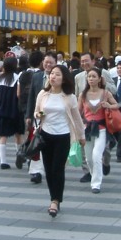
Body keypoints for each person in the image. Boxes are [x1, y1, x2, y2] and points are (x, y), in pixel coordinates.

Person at [32, 64, 85, 218]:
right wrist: (38, 115)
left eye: (57, 74)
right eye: (52, 74)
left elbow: (77, 118)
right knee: (48, 170)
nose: (53, 77)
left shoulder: (70, 97)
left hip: (63, 136)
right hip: (45, 135)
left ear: (64, 79)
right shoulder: (43, 94)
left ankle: (55, 201)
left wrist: (81, 137)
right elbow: (36, 111)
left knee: (58, 168)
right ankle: (53, 197)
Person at [78, 67, 118, 193]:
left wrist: (109, 105)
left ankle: (96, 184)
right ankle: (94, 174)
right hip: (87, 129)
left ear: (100, 78)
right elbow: (78, 112)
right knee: (88, 158)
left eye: (94, 76)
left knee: (96, 155)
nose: (91, 79)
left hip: (101, 129)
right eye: (89, 76)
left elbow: (117, 105)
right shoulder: (83, 95)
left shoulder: (105, 93)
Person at [24, 51, 55, 184]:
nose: (48, 65)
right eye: (46, 62)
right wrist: (28, 115)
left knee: (49, 144)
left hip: (54, 115)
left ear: (55, 64)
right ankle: (36, 172)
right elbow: (31, 97)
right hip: (38, 114)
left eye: (51, 63)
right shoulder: (36, 77)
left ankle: (50, 167)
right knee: (37, 141)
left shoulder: (60, 77)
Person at [0, 55, 23, 169]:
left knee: (3, 136)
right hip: (14, 109)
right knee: (18, 135)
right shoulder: (17, 77)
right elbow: (18, 94)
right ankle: (19, 156)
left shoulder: (0, 79)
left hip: (2, 109)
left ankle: (3, 161)